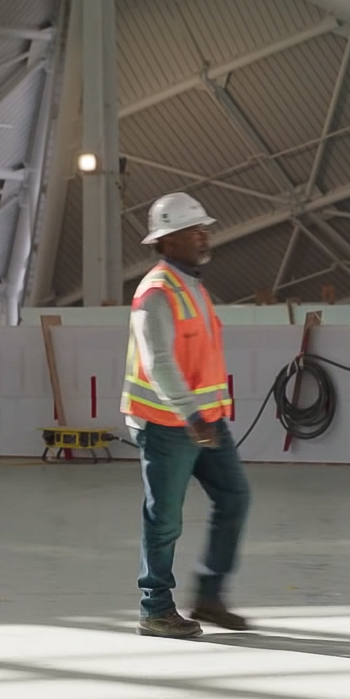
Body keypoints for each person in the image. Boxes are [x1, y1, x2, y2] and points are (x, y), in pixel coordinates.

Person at [121, 192, 251, 639]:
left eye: (204, 227)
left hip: (205, 421)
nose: (204, 235)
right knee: (165, 518)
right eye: (192, 230)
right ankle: (154, 609)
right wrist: (192, 415)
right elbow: (159, 362)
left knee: (234, 497)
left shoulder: (192, 284)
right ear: (166, 241)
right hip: (169, 425)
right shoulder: (156, 292)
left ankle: (210, 596)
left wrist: (205, 417)